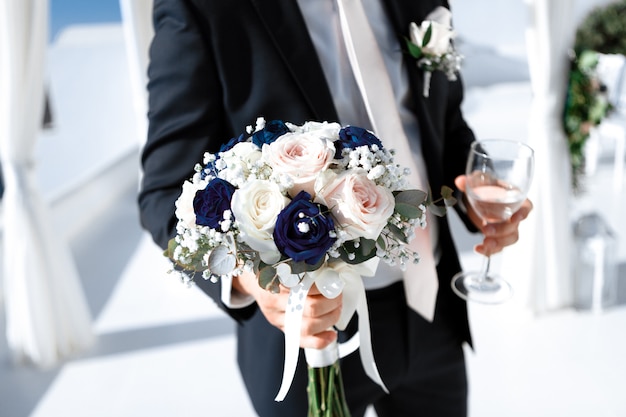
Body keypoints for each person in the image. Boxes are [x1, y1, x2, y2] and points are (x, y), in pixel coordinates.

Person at [138, 0, 533, 416]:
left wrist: (472, 189)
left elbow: (443, 121)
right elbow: (163, 192)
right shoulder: (201, 8)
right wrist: (247, 281)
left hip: (433, 310)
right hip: (308, 334)